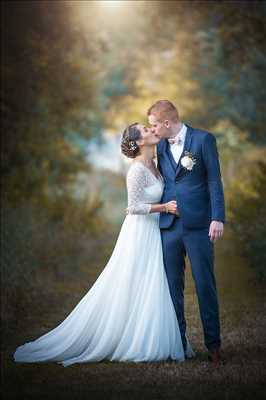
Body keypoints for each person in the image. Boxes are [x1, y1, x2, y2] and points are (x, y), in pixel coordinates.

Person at [13, 122, 195, 367]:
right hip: (140, 232)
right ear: (139, 142)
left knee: (152, 283)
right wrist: (164, 207)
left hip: (155, 231)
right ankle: (131, 338)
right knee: (133, 282)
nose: (152, 130)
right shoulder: (137, 170)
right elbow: (132, 207)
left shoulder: (155, 164)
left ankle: (150, 334)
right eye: (146, 130)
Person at [147, 100, 225, 365]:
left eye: (154, 125)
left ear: (167, 123)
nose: (153, 130)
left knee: (205, 285)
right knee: (172, 288)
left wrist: (217, 217)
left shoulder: (203, 140)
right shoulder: (158, 145)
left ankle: (213, 345)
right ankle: (178, 344)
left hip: (199, 225)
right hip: (169, 226)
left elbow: (214, 179)